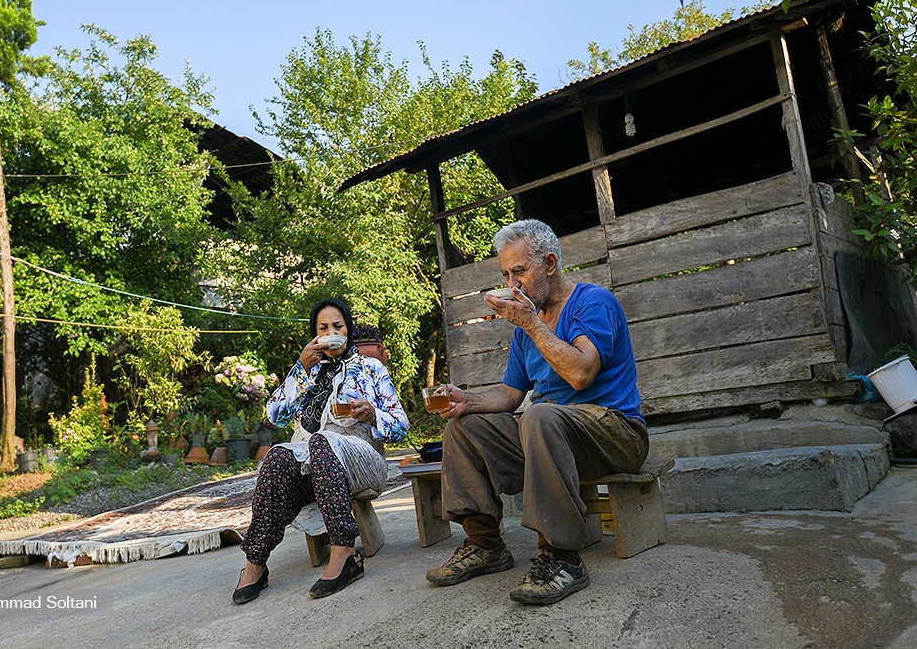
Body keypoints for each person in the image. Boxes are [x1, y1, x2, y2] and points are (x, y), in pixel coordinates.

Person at [425, 219, 648, 605]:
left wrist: (531, 324)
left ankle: (562, 558)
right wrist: (467, 401)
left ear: (549, 264)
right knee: (464, 426)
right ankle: (485, 544)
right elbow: (511, 393)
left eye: (519, 271)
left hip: (616, 433)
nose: (512, 284)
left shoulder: (592, 302)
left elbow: (581, 372)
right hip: (551, 436)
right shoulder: (527, 326)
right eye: (505, 275)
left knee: (540, 415)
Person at [232, 298, 409, 604]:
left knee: (322, 441)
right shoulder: (308, 373)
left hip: (361, 458)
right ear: (315, 335)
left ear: (348, 329)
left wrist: (373, 415)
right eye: (323, 328)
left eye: (337, 326)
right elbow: (275, 416)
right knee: (277, 457)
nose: (331, 333)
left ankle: (345, 553)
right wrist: (301, 368)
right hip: (315, 463)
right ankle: (255, 561)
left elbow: (401, 426)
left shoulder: (371, 368)